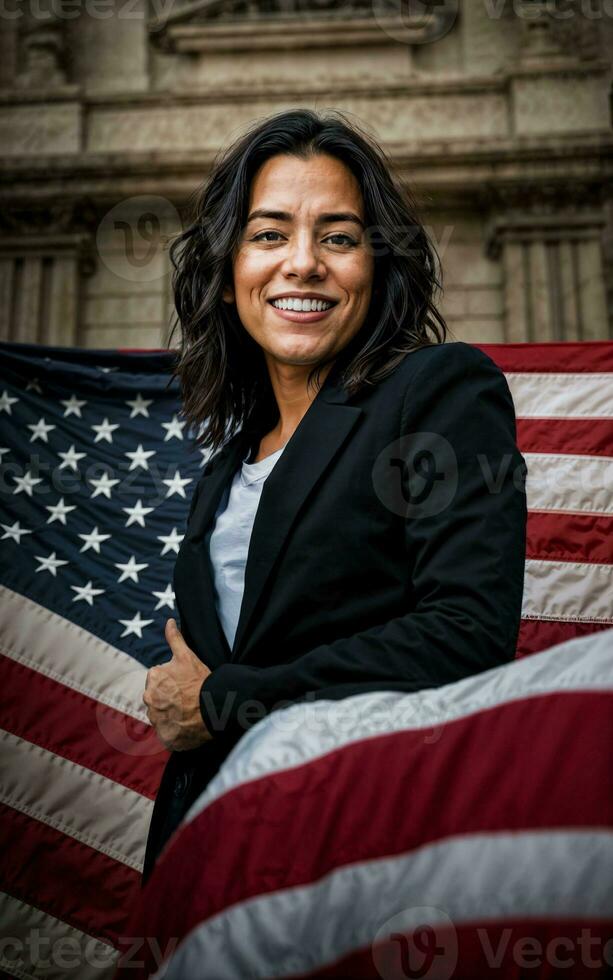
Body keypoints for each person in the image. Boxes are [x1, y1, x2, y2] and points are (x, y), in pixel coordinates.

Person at [141, 108, 527, 885]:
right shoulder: (227, 463)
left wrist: (223, 700)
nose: (303, 263)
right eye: (270, 233)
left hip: (360, 854)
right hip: (210, 861)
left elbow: (465, 632)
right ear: (227, 275)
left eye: (340, 237)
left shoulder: (436, 389)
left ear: (376, 267)